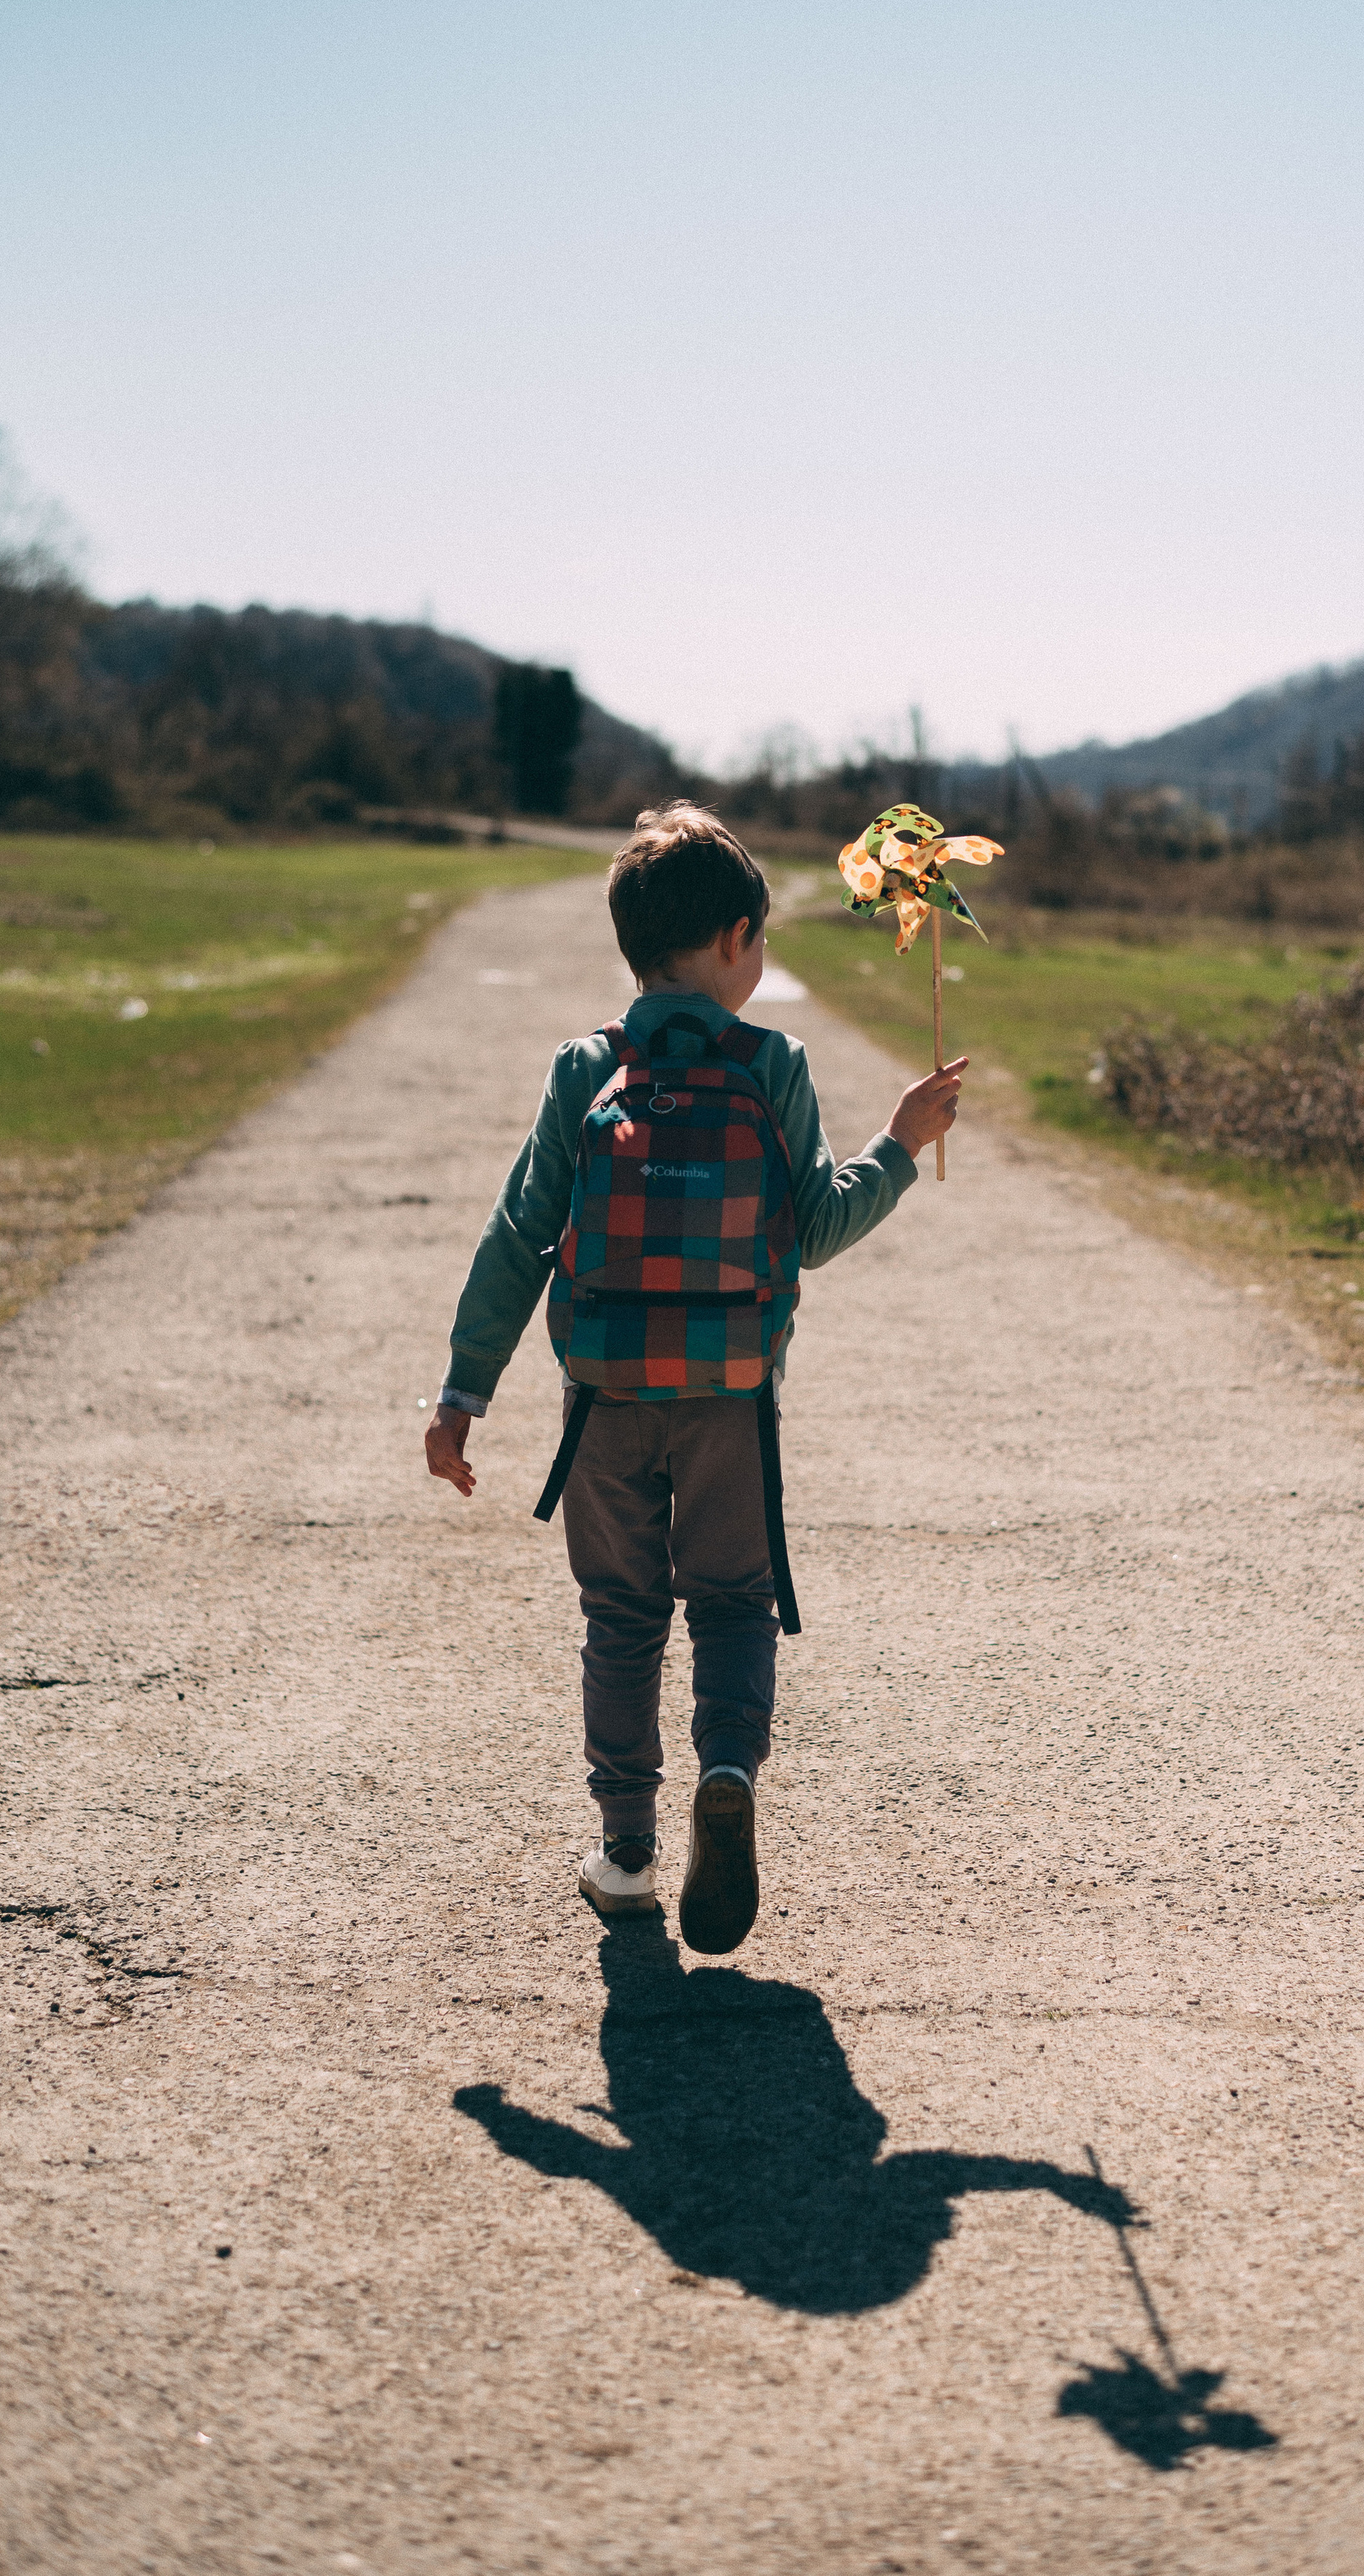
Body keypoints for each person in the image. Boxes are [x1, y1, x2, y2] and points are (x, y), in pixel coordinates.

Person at [425, 803, 964, 1955]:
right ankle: (728, 1766)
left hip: (604, 1401)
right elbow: (816, 1227)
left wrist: (463, 1393)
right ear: (735, 940)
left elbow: (518, 1236)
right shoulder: (772, 1064)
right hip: (731, 1395)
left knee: (620, 1616)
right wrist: (902, 1143)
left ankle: (625, 1852)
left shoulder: (586, 1068)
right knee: (730, 1601)